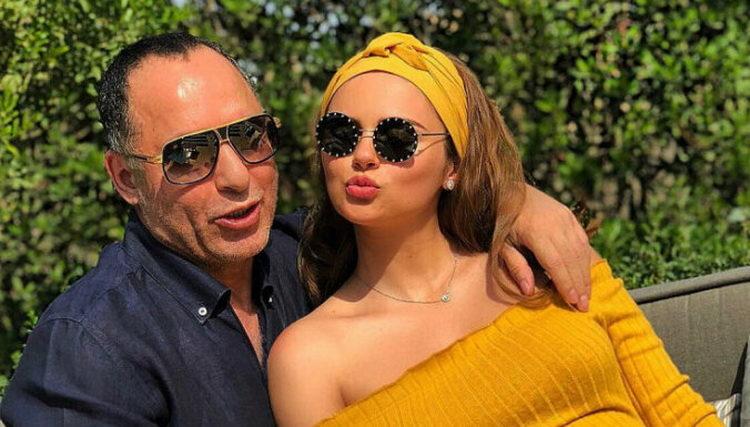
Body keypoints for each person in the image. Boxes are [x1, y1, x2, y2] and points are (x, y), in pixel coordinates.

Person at [0, 33, 593, 425]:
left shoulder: (308, 251)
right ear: (126, 179)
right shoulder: (89, 351)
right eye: (189, 155)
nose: (237, 177)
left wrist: (518, 201)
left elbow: (413, 208)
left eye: (250, 136)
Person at [267, 32, 721, 426]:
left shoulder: (545, 257)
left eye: (397, 138)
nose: (363, 156)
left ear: (454, 165)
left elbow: (677, 413)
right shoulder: (310, 359)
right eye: (340, 134)